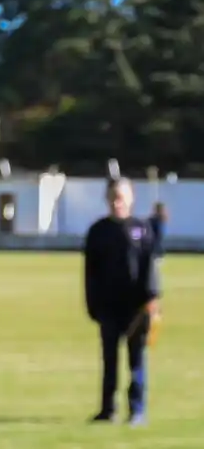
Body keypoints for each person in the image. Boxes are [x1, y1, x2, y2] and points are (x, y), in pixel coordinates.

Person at [83, 178, 160, 426]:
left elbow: (150, 267)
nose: (117, 201)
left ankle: (137, 410)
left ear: (131, 198)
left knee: (136, 360)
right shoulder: (98, 231)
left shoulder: (143, 229)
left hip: (136, 308)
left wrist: (151, 300)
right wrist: (92, 305)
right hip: (108, 307)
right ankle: (107, 410)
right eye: (113, 196)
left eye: (122, 196)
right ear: (107, 199)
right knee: (109, 361)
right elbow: (90, 272)